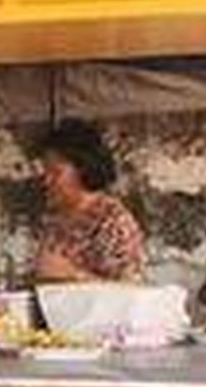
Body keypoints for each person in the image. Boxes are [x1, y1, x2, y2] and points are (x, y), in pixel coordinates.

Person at [34, 120, 145, 283]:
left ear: (83, 169)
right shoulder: (54, 218)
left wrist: (73, 274)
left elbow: (129, 292)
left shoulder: (112, 222)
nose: (46, 180)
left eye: (56, 172)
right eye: (45, 170)